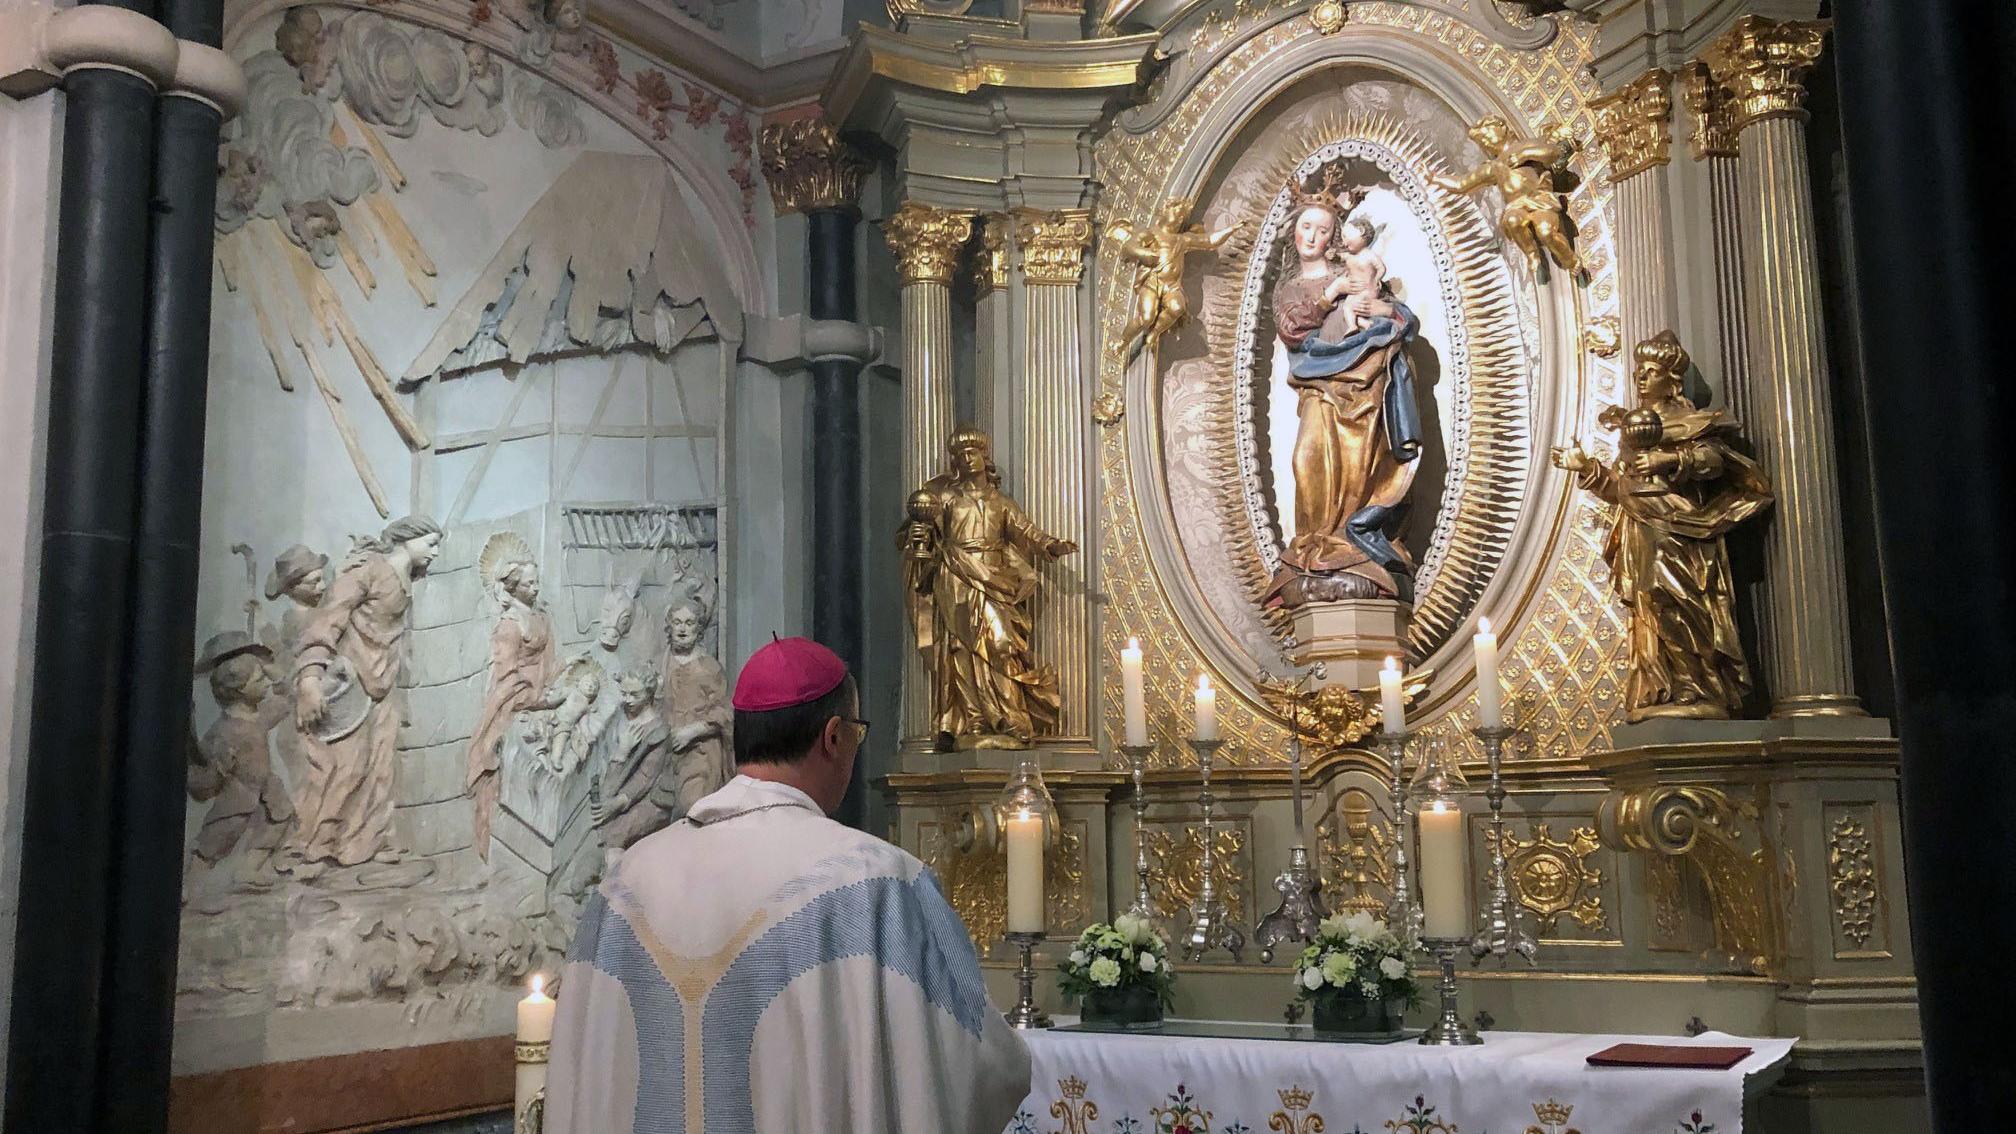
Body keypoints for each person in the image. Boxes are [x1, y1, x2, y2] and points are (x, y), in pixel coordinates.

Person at [549, 636, 1032, 1134]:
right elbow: (983, 1065)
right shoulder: (876, 884)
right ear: (833, 738)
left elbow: (579, 1071)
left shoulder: (623, 884)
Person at [1267, 167, 1423, 605]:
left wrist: (1378, 307)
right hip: (1318, 385)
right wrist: (1328, 292)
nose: (1312, 237)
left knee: (1359, 466)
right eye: (1305, 227)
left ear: (1335, 236)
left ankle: (1351, 544)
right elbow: (1293, 330)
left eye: (1322, 229)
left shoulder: (1356, 269)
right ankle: (1317, 541)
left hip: (1362, 386)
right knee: (1306, 459)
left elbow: (1398, 316)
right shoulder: (1290, 287)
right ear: (1294, 233)